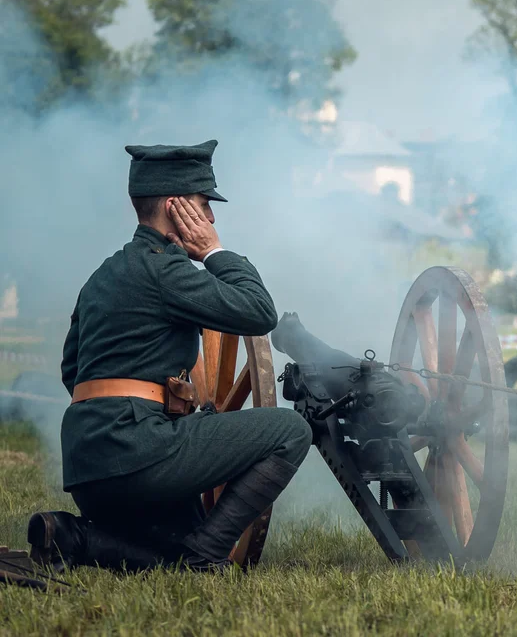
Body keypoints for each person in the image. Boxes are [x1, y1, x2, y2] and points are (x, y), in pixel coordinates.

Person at [27, 140, 312, 573]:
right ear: (177, 206)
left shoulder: (100, 276)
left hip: (88, 471)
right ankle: (207, 556)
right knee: (291, 430)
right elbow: (259, 312)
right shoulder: (166, 269)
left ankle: (73, 536)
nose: (211, 217)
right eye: (204, 204)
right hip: (140, 456)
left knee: (169, 554)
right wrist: (214, 251)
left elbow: (73, 371)